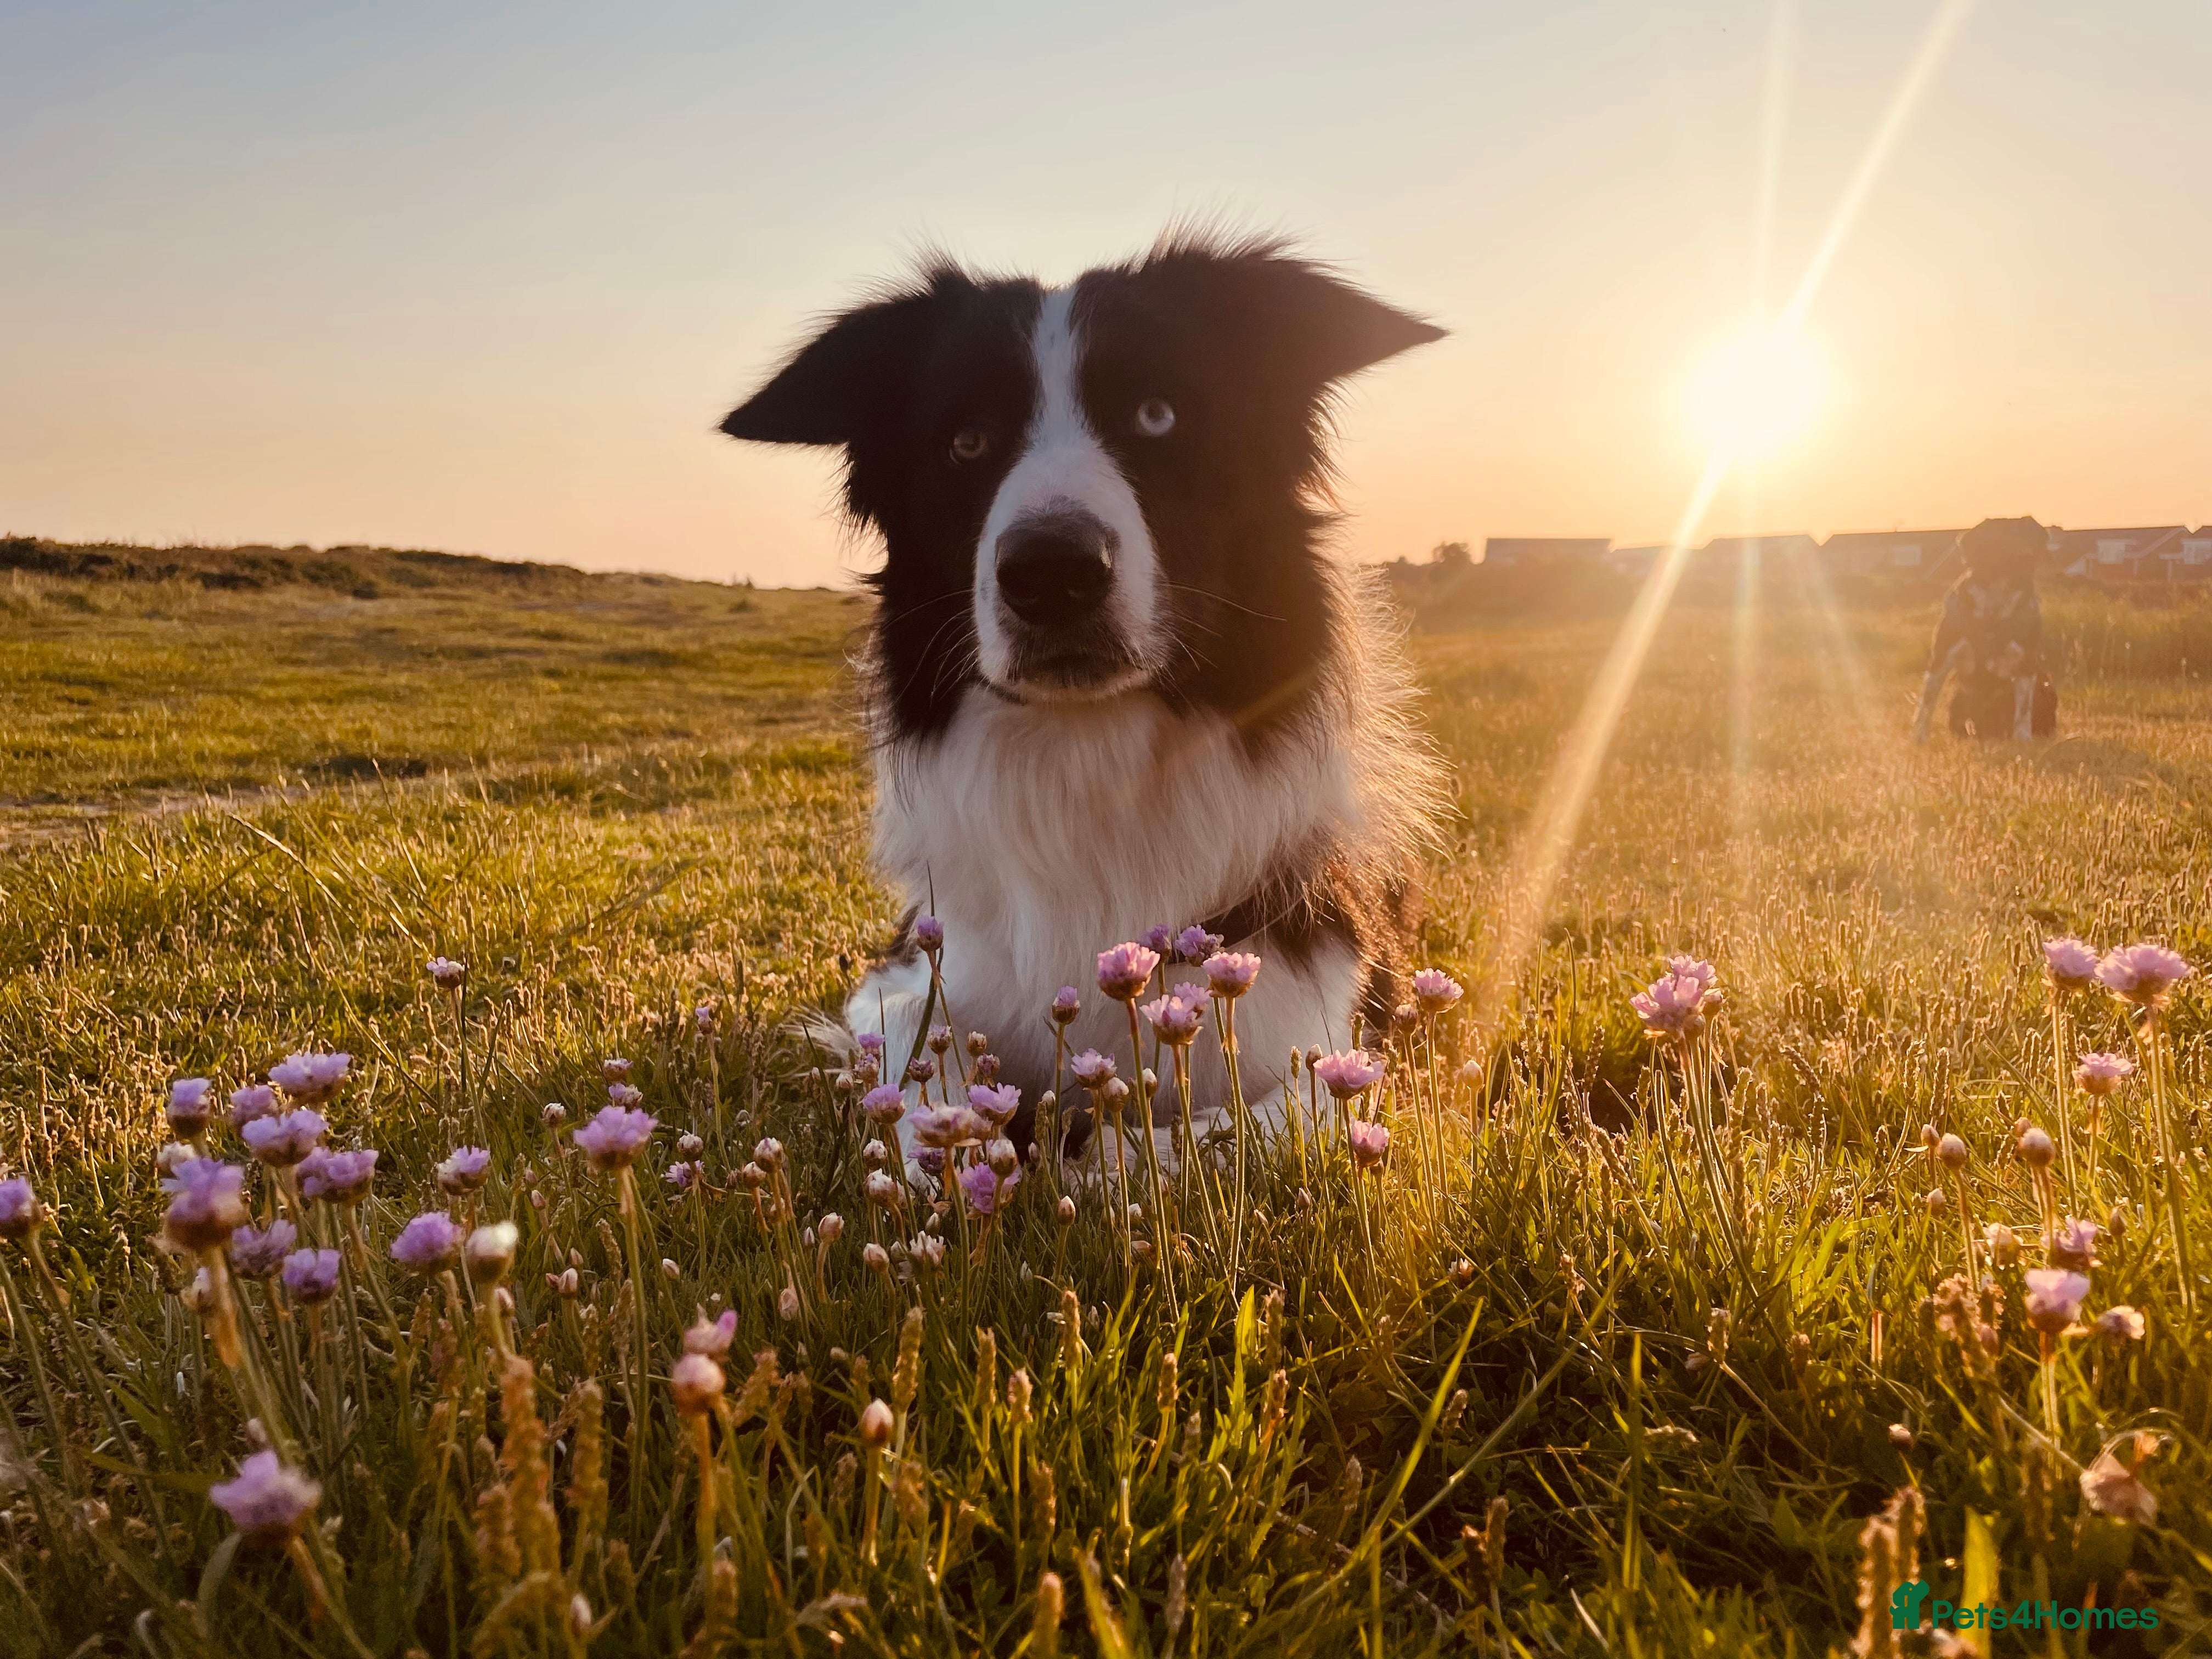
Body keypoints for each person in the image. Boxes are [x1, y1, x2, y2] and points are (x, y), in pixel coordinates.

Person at [1911, 517, 2053, 742]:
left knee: (2037, 686)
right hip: (1973, 697)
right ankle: (1922, 728)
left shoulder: (2026, 609)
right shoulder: (1960, 610)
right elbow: (1937, 669)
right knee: (1942, 669)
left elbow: (2027, 671)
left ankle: (2022, 732)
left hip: (2006, 698)